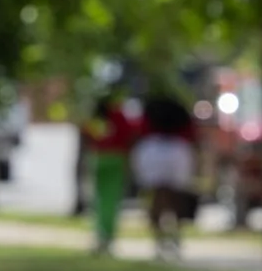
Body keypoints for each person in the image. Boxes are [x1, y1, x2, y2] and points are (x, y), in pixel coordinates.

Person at [131, 94, 197, 261]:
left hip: (153, 150)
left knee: (157, 197)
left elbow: (140, 130)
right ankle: (174, 237)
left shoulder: (150, 109)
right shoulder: (180, 110)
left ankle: (160, 240)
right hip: (177, 151)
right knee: (175, 197)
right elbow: (191, 132)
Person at [81, 91, 142, 254]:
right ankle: (108, 236)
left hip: (99, 159)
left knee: (99, 200)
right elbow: (130, 135)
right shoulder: (118, 115)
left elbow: (88, 138)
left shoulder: (96, 119)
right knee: (112, 200)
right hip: (116, 159)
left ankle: (100, 235)